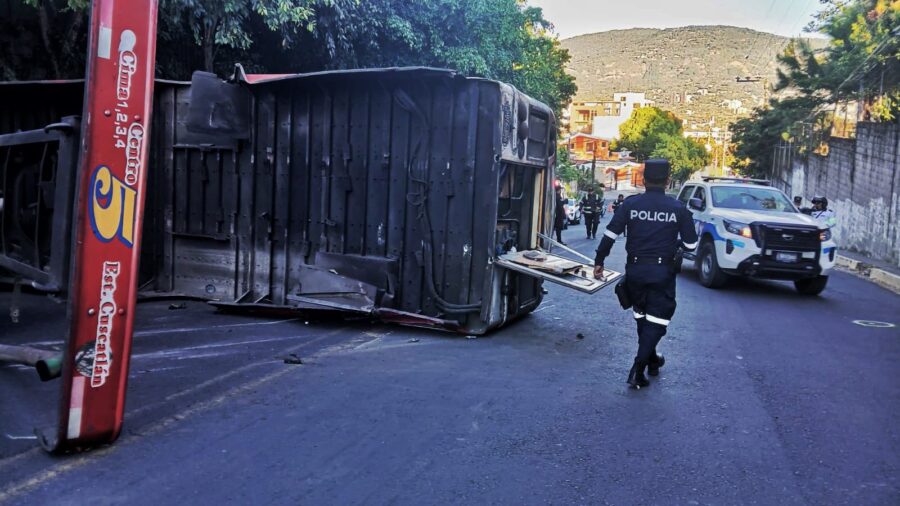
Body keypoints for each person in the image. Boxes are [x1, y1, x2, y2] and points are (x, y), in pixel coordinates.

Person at [593, 159, 698, 389]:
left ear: (642, 180)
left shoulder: (630, 205)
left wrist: (599, 261)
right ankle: (637, 368)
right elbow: (691, 245)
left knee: (642, 317)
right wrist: (675, 243)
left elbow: (610, 235)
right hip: (662, 272)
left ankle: (651, 359)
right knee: (657, 321)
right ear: (667, 180)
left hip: (635, 271)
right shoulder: (678, 209)